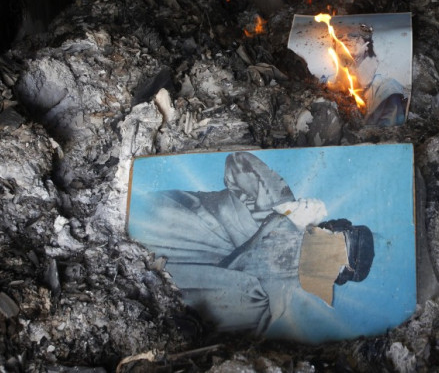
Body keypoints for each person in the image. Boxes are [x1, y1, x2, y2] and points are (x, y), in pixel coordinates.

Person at [129, 152, 375, 335]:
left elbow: (215, 298)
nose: (325, 253)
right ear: (324, 227)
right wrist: (289, 208)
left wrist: (282, 223)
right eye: (333, 239)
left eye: (335, 261)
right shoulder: (280, 204)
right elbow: (238, 163)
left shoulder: (265, 306)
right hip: (144, 218)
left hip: (133, 279)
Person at [340, 27, 408, 126]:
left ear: (366, 45)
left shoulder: (386, 87)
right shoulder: (325, 84)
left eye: (353, 36)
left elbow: (390, 132)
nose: (345, 38)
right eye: (340, 36)